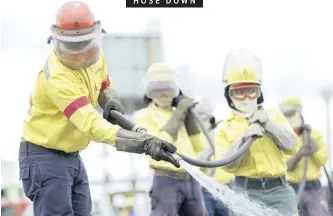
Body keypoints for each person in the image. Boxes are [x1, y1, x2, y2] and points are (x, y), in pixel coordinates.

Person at [19, 2, 178, 216]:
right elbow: (92, 125)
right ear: (56, 42)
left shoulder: (96, 57)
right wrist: (144, 143)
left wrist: (109, 100)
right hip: (44, 156)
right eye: (73, 46)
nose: (81, 53)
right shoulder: (57, 78)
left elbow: (103, 84)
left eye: (85, 43)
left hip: (72, 155)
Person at [214, 49, 300, 216]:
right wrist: (245, 137)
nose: (246, 97)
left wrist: (269, 124)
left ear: (259, 93)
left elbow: (292, 146)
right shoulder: (224, 127)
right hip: (244, 193)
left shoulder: (273, 115)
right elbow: (226, 164)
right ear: (229, 96)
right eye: (238, 92)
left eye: (251, 90)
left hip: (279, 191)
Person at [134, 63, 208, 216]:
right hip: (165, 181)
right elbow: (160, 145)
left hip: (190, 179)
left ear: (176, 90)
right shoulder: (144, 116)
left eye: (167, 88)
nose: (162, 93)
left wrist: (189, 118)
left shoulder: (180, 115)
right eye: (157, 89)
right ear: (149, 91)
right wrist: (179, 112)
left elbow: (200, 147)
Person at [279, 96, 329, 216]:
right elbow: (287, 167)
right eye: (286, 115)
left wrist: (308, 137)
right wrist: (300, 154)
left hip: (314, 188)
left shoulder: (315, 135)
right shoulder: (282, 140)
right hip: (291, 189)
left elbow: (322, 160)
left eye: (292, 113)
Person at [195, 98, 233, 216]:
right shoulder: (193, 137)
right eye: (200, 114)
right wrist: (209, 149)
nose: (203, 117)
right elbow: (194, 164)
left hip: (225, 189)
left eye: (206, 113)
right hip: (204, 190)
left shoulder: (221, 133)